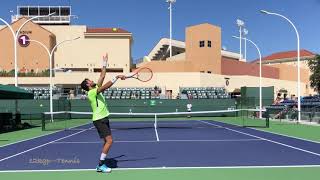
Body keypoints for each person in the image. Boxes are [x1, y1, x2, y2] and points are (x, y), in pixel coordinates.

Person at [80, 53, 126, 173]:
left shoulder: (95, 89)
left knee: (107, 141)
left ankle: (101, 162)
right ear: (87, 85)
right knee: (110, 141)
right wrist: (116, 77)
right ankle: (100, 165)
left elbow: (102, 75)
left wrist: (104, 62)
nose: (92, 80)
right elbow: (105, 87)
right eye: (89, 80)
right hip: (99, 119)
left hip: (103, 118)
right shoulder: (91, 93)